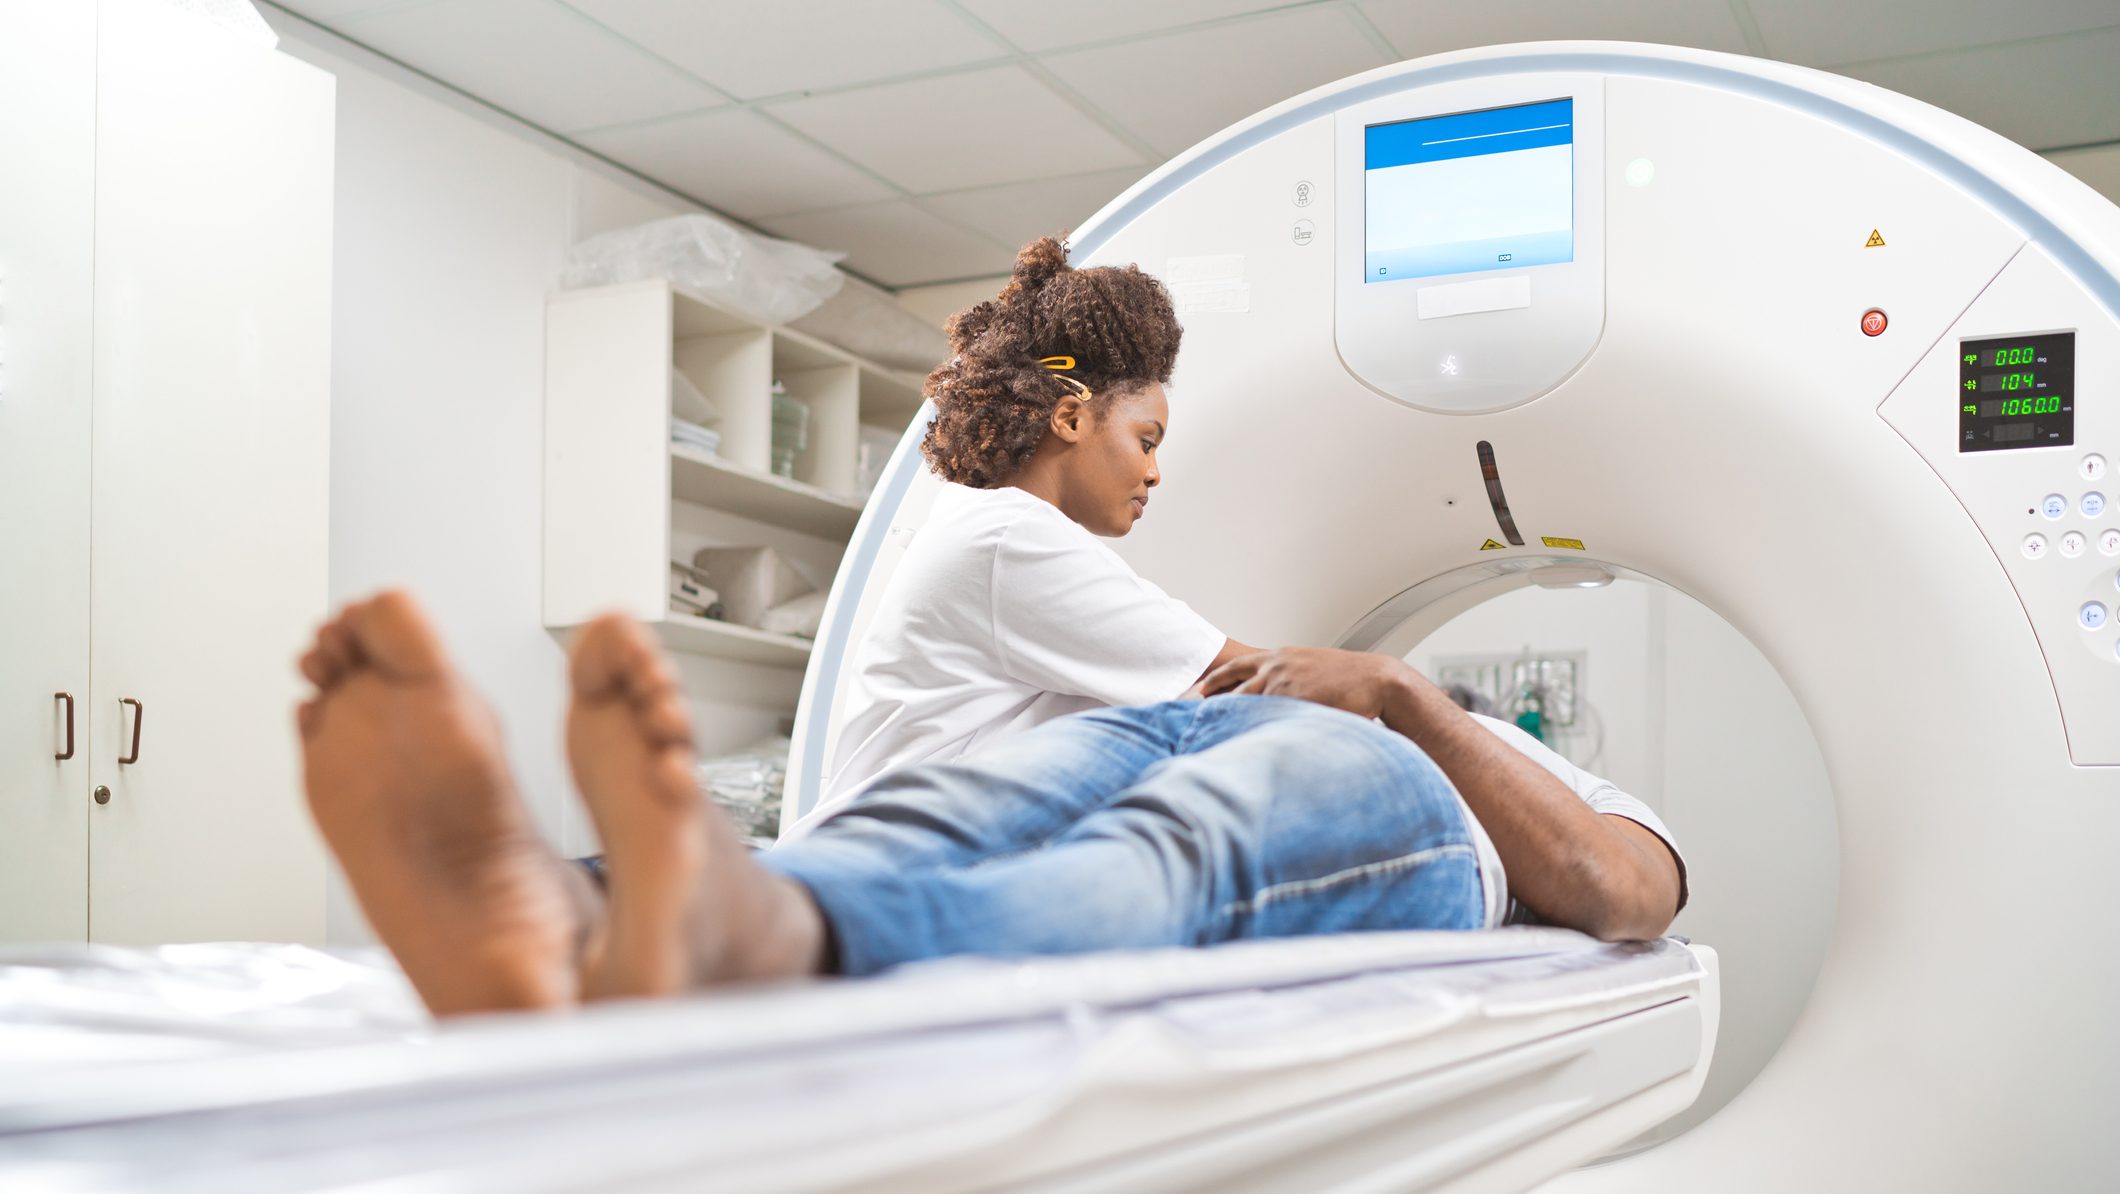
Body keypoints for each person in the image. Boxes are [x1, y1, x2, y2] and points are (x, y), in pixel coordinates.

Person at [297, 591, 1686, 1017]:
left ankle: (766, 934)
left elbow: (1620, 895)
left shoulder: (1508, 764)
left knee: (1170, 859)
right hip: (1184, 719)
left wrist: (1395, 692)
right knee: (931, 813)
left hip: (1382, 786)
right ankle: (560, 903)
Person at [819, 237, 1257, 817]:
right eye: (1146, 442)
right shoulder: (1012, 538)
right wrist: (1375, 682)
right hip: (890, 859)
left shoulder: (986, 524)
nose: (1154, 473)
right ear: (1070, 419)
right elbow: (1244, 679)